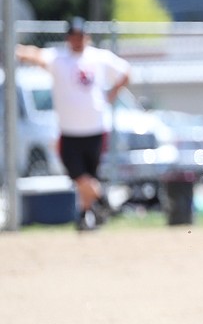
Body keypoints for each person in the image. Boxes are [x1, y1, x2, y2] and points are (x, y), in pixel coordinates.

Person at [15, 17, 131, 231]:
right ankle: (105, 200)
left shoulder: (98, 57)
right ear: (68, 38)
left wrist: (112, 94)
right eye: (73, 36)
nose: (77, 41)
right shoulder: (59, 58)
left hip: (95, 129)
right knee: (78, 175)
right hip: (69, 131)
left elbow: (125, 72)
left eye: (81, 36)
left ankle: (85, 216)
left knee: (88, 176)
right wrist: (15, 48)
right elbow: (36, 54)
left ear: (86, 37)